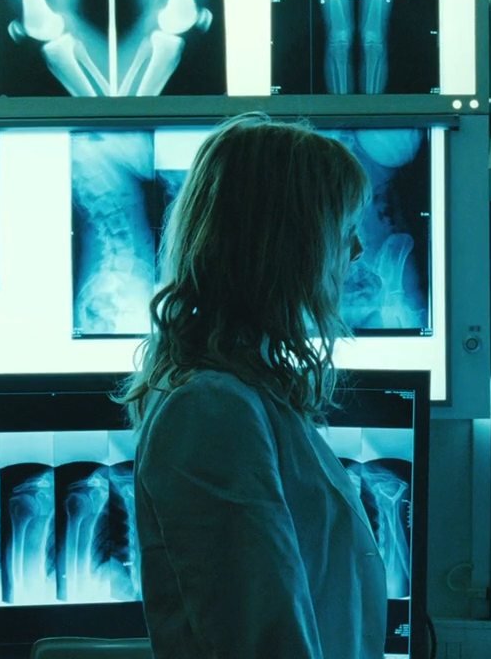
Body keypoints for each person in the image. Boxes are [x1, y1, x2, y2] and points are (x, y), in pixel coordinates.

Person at [120, 112, 383, 658]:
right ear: (289, 244)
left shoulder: (246, 396)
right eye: (343, 228)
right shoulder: (211, 410)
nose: (357, 249)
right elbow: (264, 641)